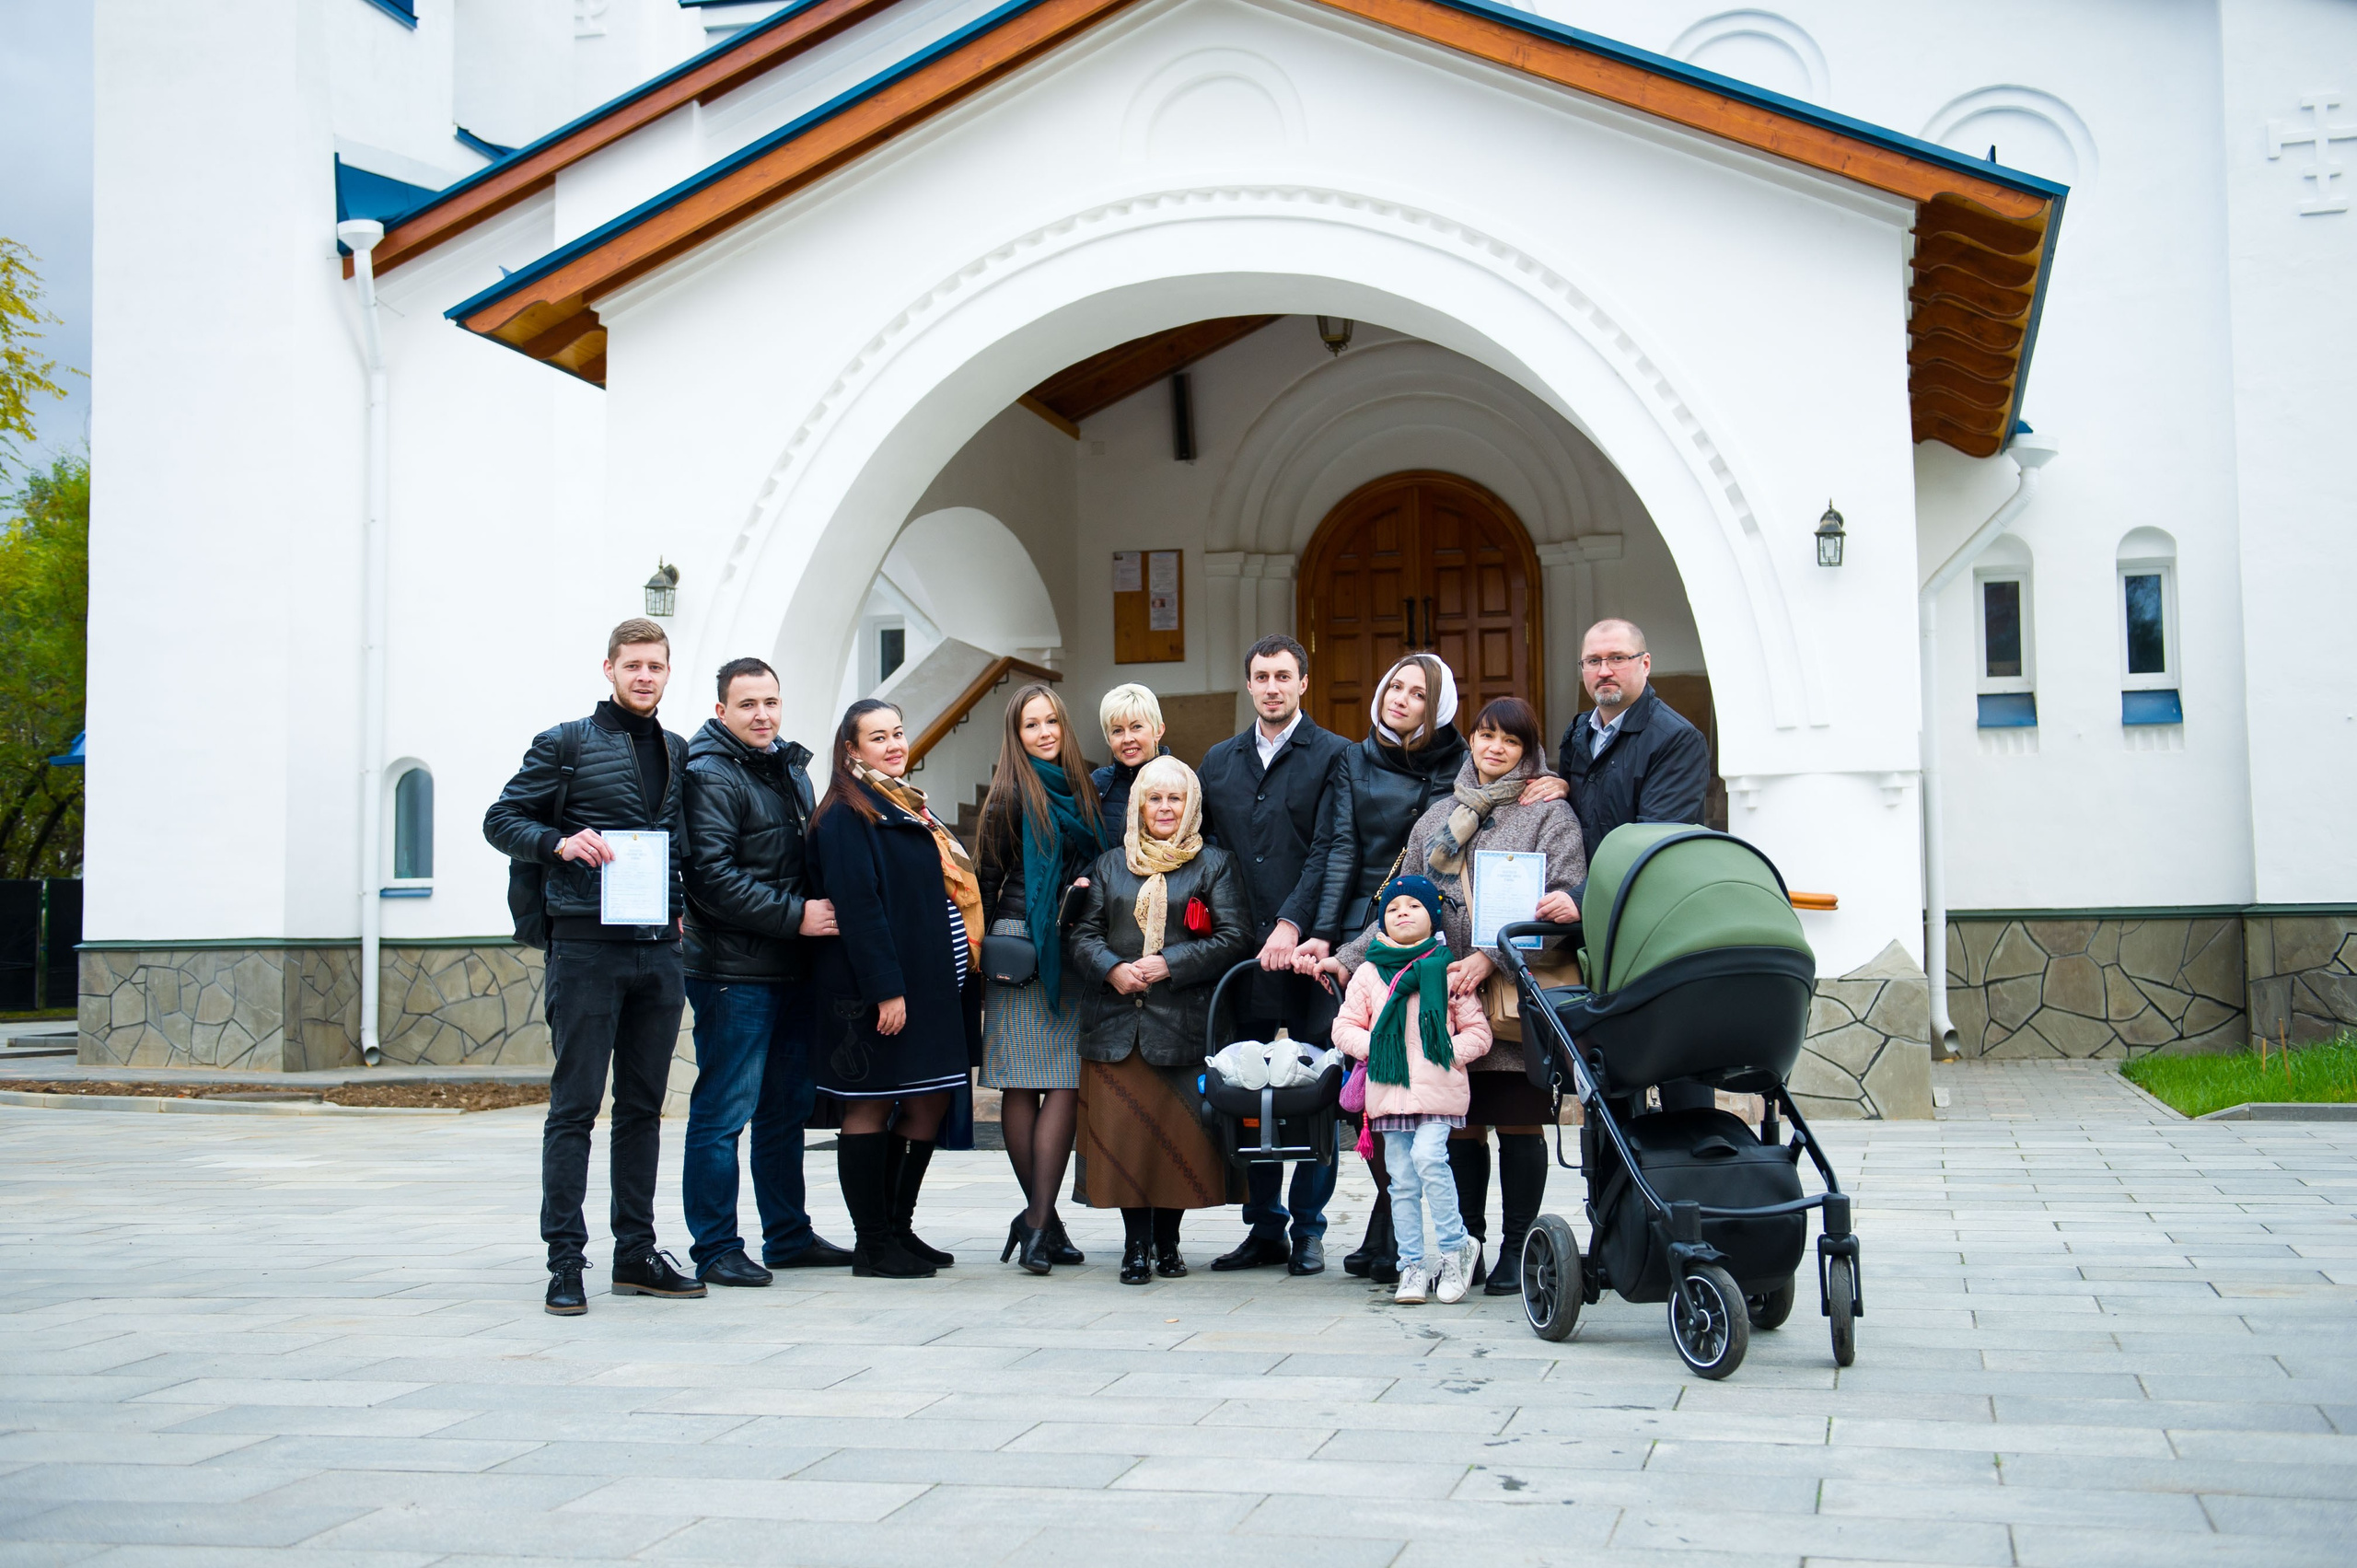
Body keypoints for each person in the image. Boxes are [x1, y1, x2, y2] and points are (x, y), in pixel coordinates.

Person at [1313, 695, 1585, 1296]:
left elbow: (1564, 900)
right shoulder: (1438, 816)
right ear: (1472, 741)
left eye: (1510, 741)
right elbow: (1400, 903)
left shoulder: (1550, 814)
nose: (1495, 748)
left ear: (1528, 751)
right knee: (1459, 1128)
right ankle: (1470, 1245)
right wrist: (1348, 957)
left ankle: (1518, 1247)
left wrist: (1492, 956)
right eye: (1486, 735)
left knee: (1517, 1124)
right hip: (1438, 1002)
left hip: (1510, 999)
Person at [483, 618, 703, 1316]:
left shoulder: (676, 748)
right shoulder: (565, 743)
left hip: (658, 951)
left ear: (667, 673)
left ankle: (635, 1252)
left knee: (642, 1109)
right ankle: (564, 1262)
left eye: (655, 666)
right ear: (609, 669)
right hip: (584, 949)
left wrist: (677, 910)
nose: (644, 676)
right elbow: (500, 819)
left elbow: (678, 844)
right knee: (576, 1107)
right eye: (632, 665)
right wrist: (559, 842)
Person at [678, 656, 853, 1287]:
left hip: (792, 969)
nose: (762, 715)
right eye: (747, 704)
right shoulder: (709, 774)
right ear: (721, 710)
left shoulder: (790, 768)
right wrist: (797, 915)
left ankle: (787, 1235)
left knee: (785, 1109)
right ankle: (715, 1247)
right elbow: (710, 878)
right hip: (734, 975)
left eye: (770, 702)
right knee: (724, 1112)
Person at [806, 699, 982, 1279]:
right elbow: (859, 907)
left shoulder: (906, 805)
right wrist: (886, 989)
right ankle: (873, 1243)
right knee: (871, 1105)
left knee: (930, 1101)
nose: (893, 745)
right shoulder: (845, 814)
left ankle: (898, 1229)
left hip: (933, 986)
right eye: (878, 737)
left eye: (898, 733)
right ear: (851, 750)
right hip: (879, 991)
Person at [1195, 633, 1348, 1275]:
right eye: (1261, 677)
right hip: (1242, 956)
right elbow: (1207, 849)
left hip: (1311, 951)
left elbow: (1332, 847)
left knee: (1317, 1085)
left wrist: (1293, 922)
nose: (1272, 687)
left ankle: (1309, 1228)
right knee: (1247, 1084)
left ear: (1303, 682)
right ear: (1249, 684)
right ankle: (1264, 1226)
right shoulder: (1218, 761)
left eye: (1283, 676)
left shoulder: (1335, 755)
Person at [1316, 653, 1469, 1284]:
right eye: (1394, 687)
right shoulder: (1354, 759)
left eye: (1417, 693)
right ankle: (1389, 1224)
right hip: (1368, 930)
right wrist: (1325, 934)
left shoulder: (1463, 763)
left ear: (1440, 707)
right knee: (1371, 1090)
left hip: (1432, 927)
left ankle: (1419, 1236)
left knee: (1421, 1094)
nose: (1400, 699)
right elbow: (1341, 849)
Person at [1068, 755, 1251, 1283]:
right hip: (1116, 1028)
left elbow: (1235, 937)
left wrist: (1171, 962)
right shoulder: (1109, 864)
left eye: (1176, 798)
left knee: (1177, 1145)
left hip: (1183, 1028)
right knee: (1126, 1143)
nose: (1165, 807)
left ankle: (1168, 1244)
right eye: (1155, 798)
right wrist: (1112, 969)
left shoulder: (1214, 864)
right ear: (1138, 806)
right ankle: (1135, 1247)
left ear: (1192, 805)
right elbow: (1081, 934)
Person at [974, 682, 1107, 1274]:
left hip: (1071, 950)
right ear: (1017, 735)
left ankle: (1036, 1221)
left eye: (1051, 720)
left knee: (1065, 1084)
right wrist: (982, 959)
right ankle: (1041, 1224)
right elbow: (985, 880)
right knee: (1022, 1086)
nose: (1045, 732)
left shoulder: (1088, 787)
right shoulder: (1007, 794)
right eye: (1031, 725)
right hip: (1023, 953)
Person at [1330, 876, 1493, 1305]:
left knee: (1429, 1158)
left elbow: (1479, 1033)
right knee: (1401, 1182)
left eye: (1414, 905)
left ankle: (1456, 1249)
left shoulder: (1447, 969)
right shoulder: (1368, 973)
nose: (1402, 912)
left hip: (1438, 1090)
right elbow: (1344, 1027)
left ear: (1433, 916)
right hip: (1389, 1092)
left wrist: (1448, 1053)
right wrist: (1377, 1047)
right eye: (1393, 907)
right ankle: (1412, 1266)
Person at [1537, 618, 1710, 855]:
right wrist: (1562, 790)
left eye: (1617, 658)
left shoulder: (1677, 739)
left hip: (1633, 879)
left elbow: (1656, 845)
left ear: (1645, 664)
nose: (1604, 671)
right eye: (1593, 661)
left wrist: (1586, 883)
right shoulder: (1579, 730)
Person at [1091, 682, 1171, 827]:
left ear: (1158, 731)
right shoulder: (1097, 783)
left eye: (1136, 727)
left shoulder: (1180, 781)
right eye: (1117, 730)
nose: (1127, 739)